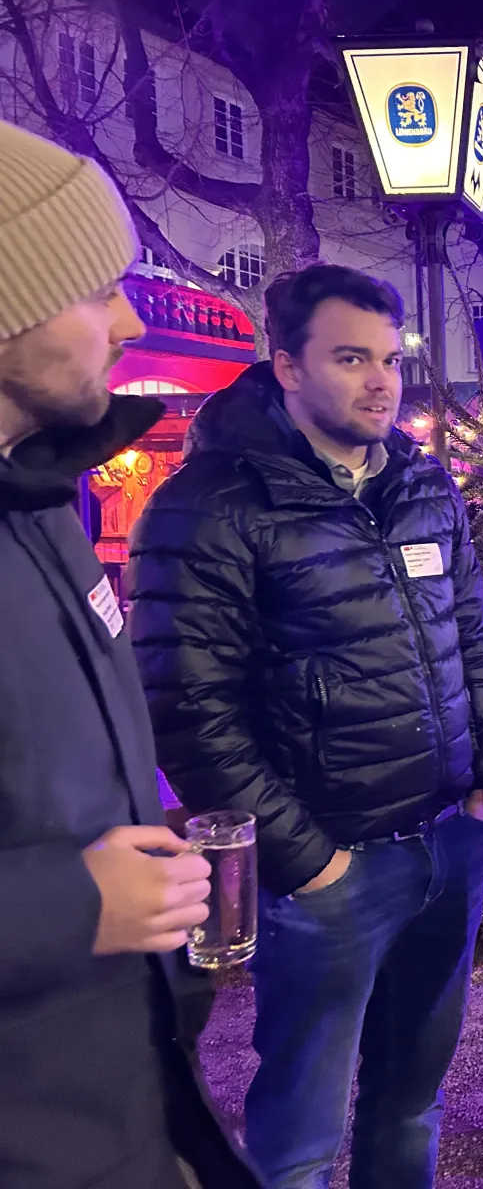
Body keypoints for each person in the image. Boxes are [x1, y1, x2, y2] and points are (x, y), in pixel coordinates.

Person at [128, 264, 483, 1188]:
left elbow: (469, 632)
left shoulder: (423, 487)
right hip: (330, 868)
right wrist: (307, 860)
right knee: (299, 1138)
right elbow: (186, 704)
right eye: (351, 358)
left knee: (411, 1103)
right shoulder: (212, 501)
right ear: (286, 365)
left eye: (390, 358)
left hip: (446, 840)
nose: (382, 380)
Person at [0, 119, 260, 1189]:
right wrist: (73, 904)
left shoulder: (42, 503)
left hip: (129, 1104)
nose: (128, 318)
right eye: (94, 285)